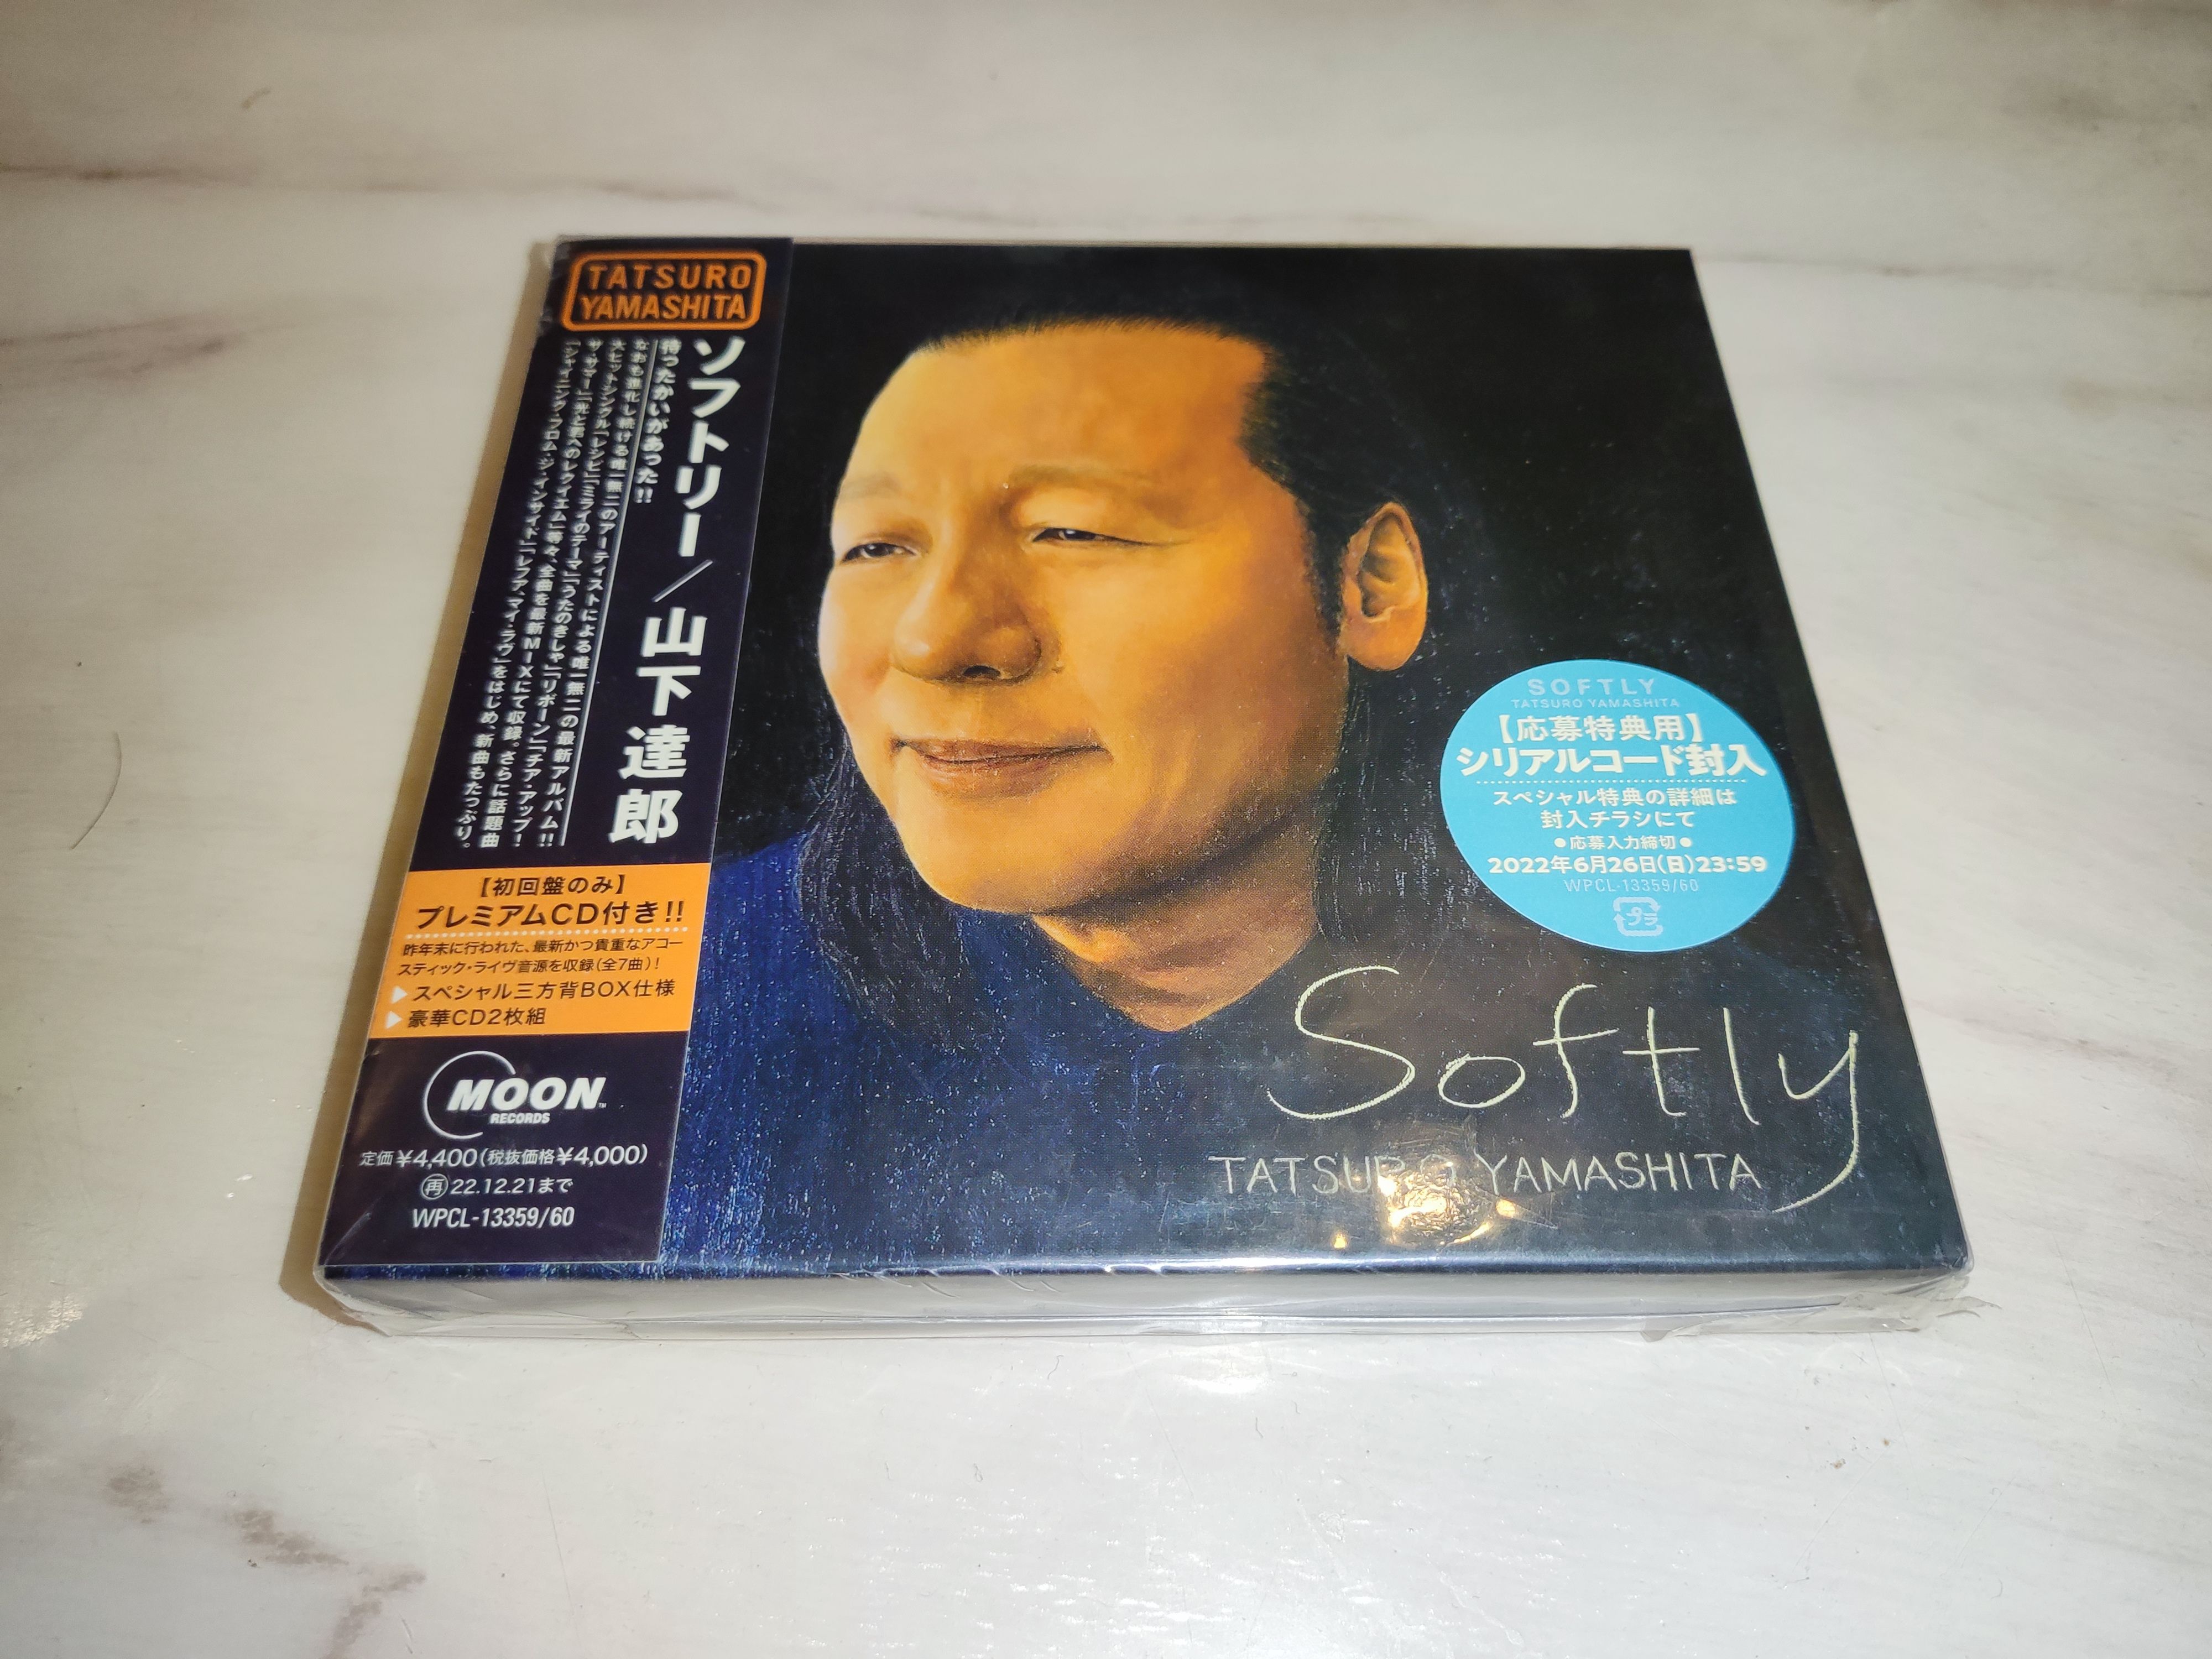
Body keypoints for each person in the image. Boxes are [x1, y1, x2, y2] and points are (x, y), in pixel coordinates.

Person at [664, 281, 1508, 1269]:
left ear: (1371, 585)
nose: (934, 639)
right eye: (880, 546)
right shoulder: (678, 991)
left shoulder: (1604, 987)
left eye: (1073, 531)